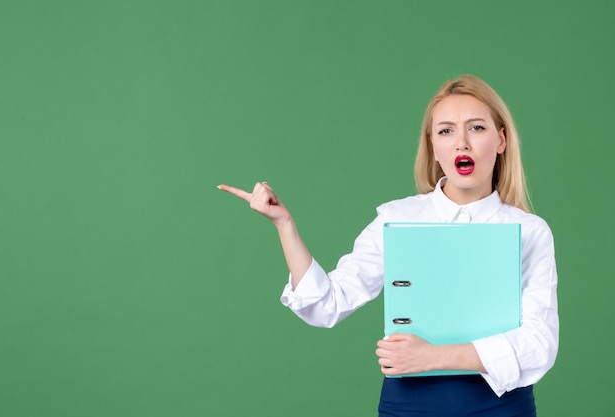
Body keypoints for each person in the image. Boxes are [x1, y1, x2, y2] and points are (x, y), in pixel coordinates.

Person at [218, 75, 559, 416]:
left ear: (501, 140)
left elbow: (539, 344)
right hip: (410, 404)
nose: (461, 144)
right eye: (446, 130)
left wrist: (433, 356)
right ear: (433, 146)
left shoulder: (529, 232)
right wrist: (284, 225)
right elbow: (327, 304)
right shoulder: (396, 219)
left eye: (476, 128)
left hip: (501, 404)